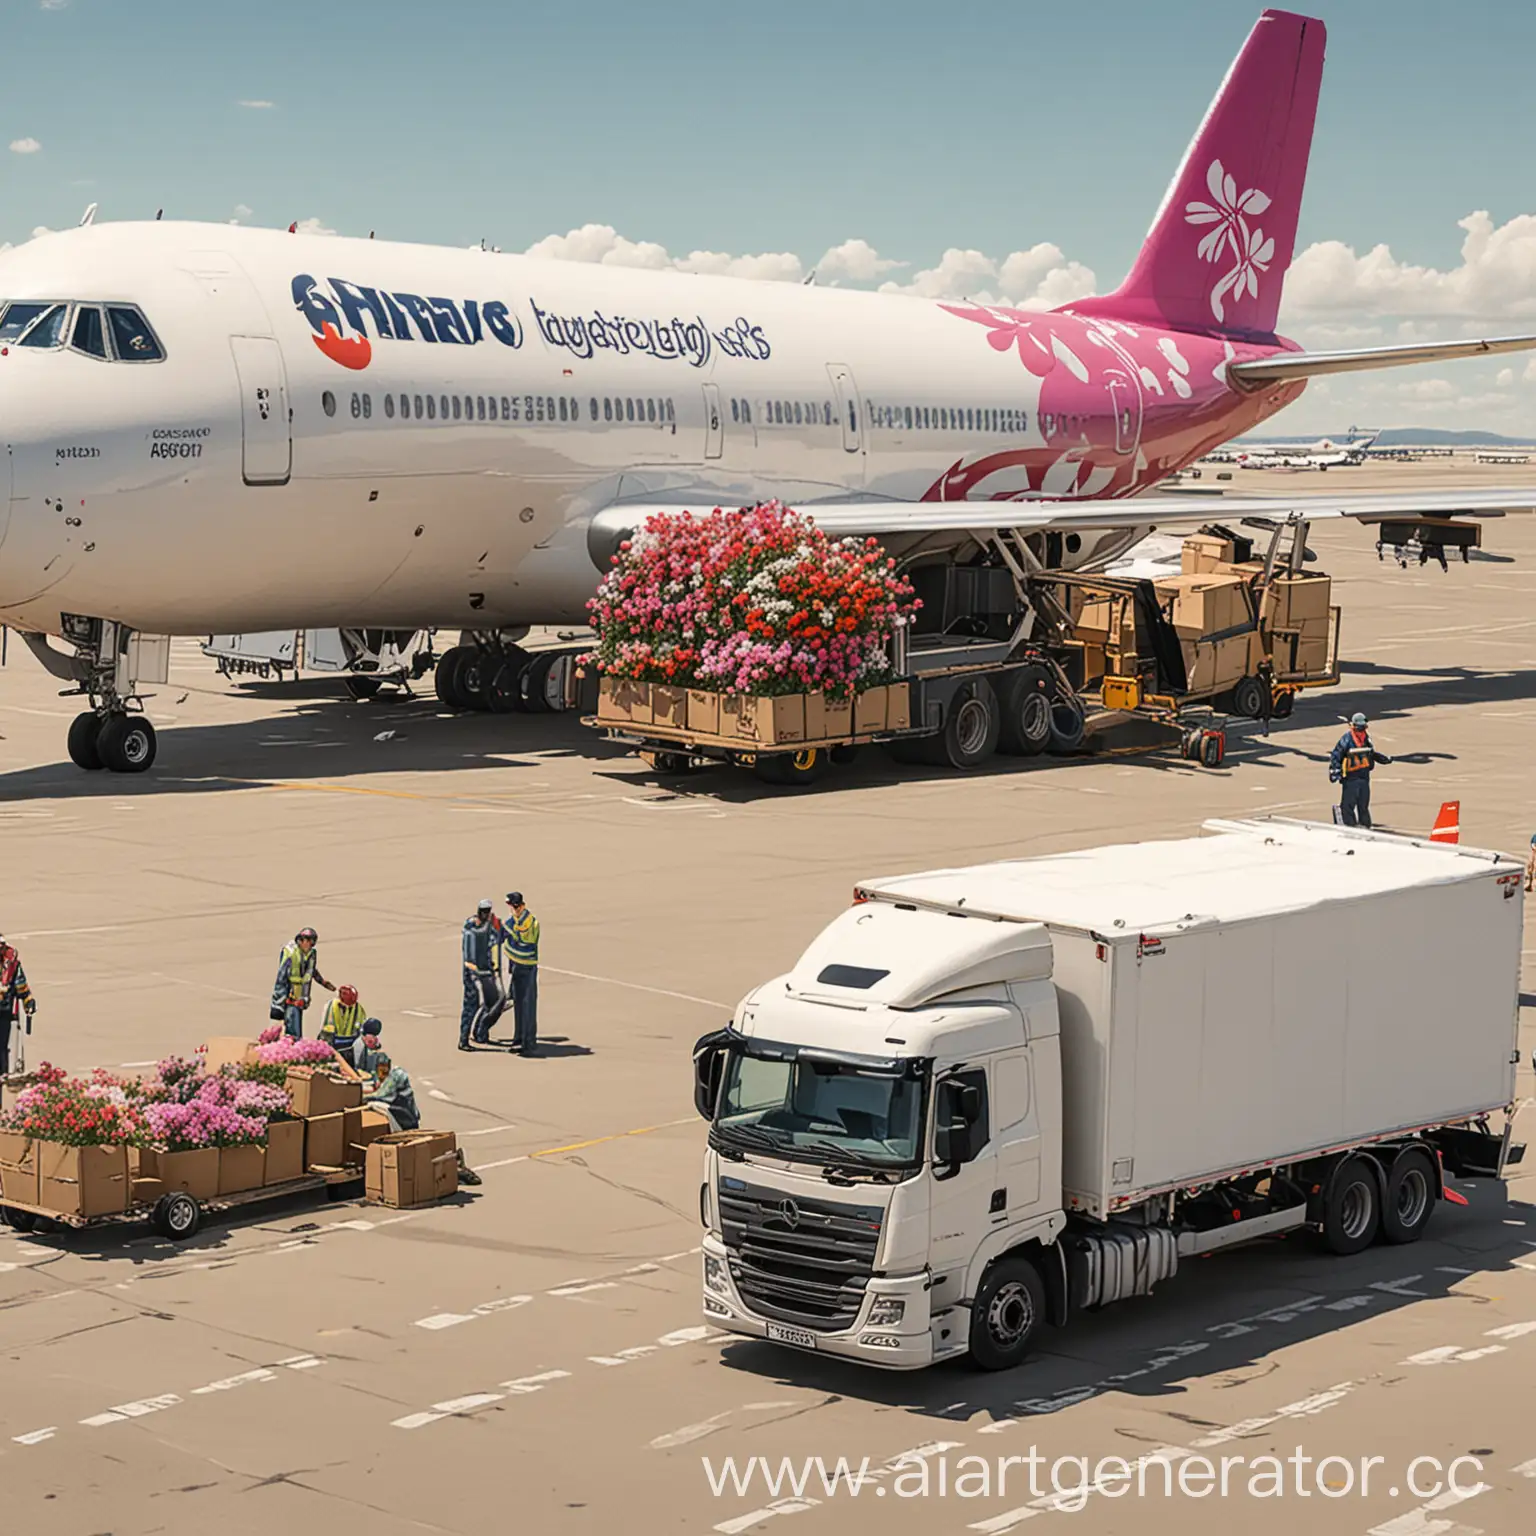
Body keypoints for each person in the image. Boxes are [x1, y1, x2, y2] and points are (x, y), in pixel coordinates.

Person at [1328, 712, 1391, 829]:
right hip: (1351, 777)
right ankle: (1349, 826)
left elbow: (1370, 753)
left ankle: (1365, 825)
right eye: (1359, 728)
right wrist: (1335, 771)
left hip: (1364, 776)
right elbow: (1336, 755)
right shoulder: (1347, 739)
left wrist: (1381, 758)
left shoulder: (1366, 739)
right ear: (1354, 727)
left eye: (1364, 728)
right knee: (1348, 804)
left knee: (1363, 804)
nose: (1362, 730)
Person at [271, 927, 336, 1038]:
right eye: (306, 941)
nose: (308, 945)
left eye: (311, 942)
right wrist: (278, 1003)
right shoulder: (290, 954)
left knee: (297, 1023)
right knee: (292, 1026)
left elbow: (311, 970)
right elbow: (281, 977)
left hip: (302, 995)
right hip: (291, 994)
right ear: (300, 940)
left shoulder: (310, 954)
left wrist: (323, 982)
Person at [460, 899, 503, 1050]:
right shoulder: (470, 930)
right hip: (473, 974)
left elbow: (496, 940)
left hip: (486, 972)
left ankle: (480, 1033)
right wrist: (474, 976)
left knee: (494, 1001)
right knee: (471, 1006)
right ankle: (463, 1039)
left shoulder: (488, 927)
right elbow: (469, 957)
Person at [504, 891, 540, 1056]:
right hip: (518, 968)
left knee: (527, 1006)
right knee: (519, 1005)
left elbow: (526, 945)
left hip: (527, 968)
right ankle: (519, 1038)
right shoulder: (514, 921)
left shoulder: (530, 923)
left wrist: (508, 944)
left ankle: (528, 1041)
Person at [0, 931, 36, 1078]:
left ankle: (2, 1075)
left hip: (4, 1010)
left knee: (2, 1046)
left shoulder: (11, 963)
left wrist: (28, 1001)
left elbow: (20, 983)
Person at [318, 984, 368, 1052]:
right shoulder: (331, 1006)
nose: (349, 1006)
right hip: (333, 1040)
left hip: (351, 1042)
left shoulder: (359, 1009)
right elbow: (326, 1026)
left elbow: (362, 1025)